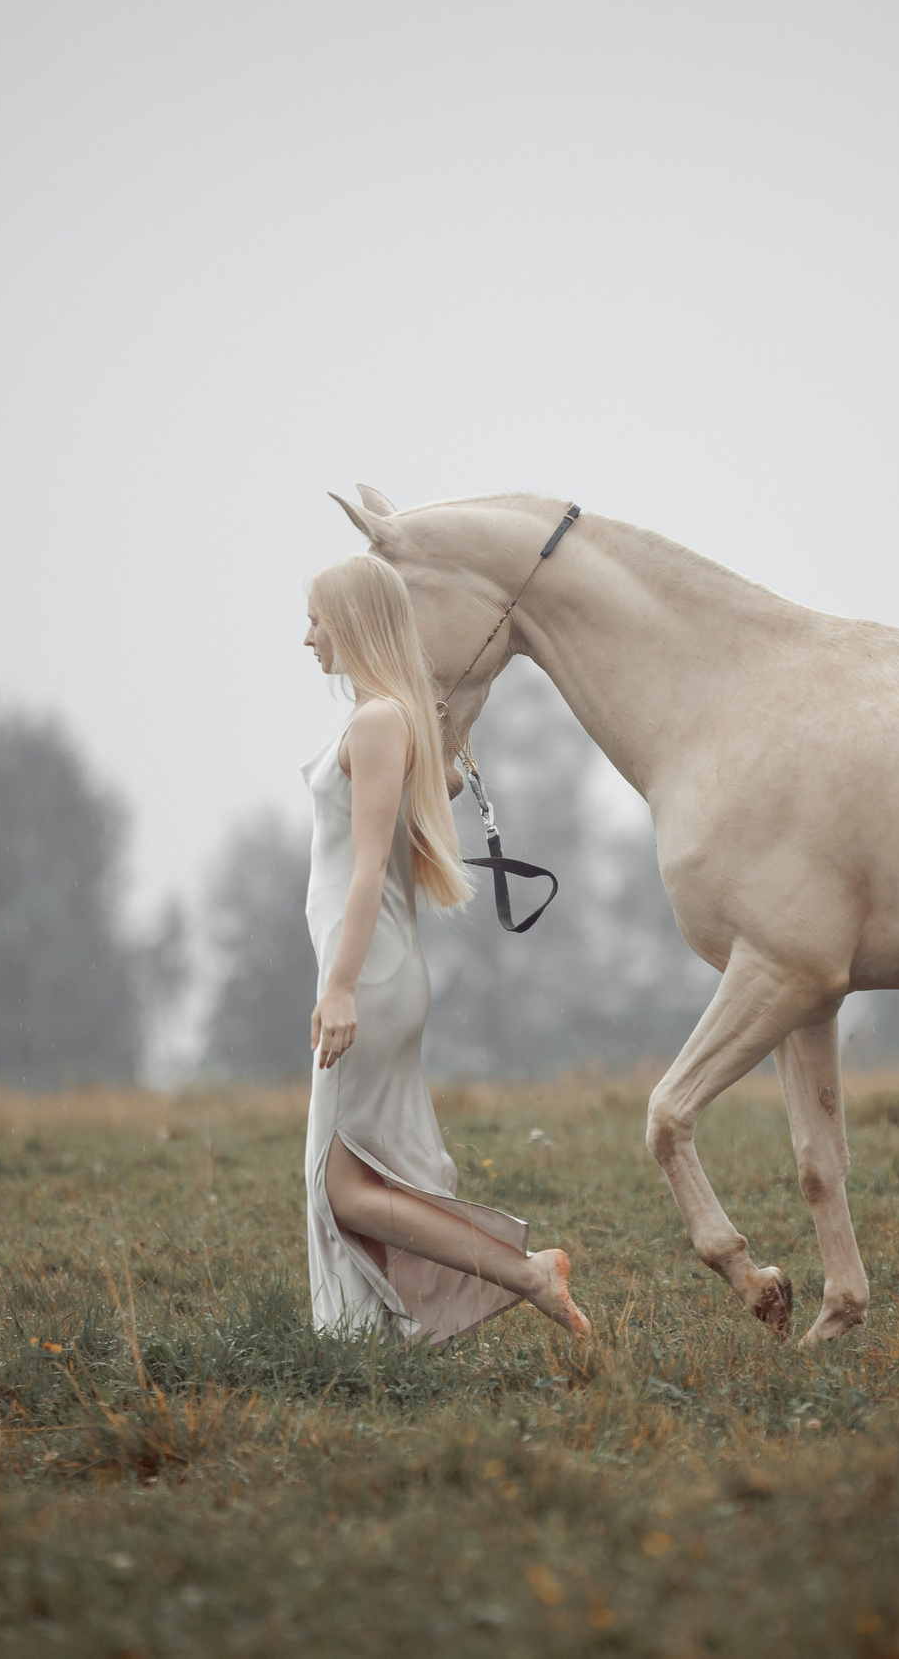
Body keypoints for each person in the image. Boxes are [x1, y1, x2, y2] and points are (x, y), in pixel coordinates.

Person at [298, 554, 592, 1346]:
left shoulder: (378, 721)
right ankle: (410, 1318)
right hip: (374, 967)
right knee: (350, 1179)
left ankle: (526, 1272)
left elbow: (365, 870)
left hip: (370, 972)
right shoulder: (389, 719)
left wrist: (340, 988)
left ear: (354, 623)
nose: (306, 638)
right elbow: (443, 793)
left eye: (318, 620)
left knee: (342, 1186)